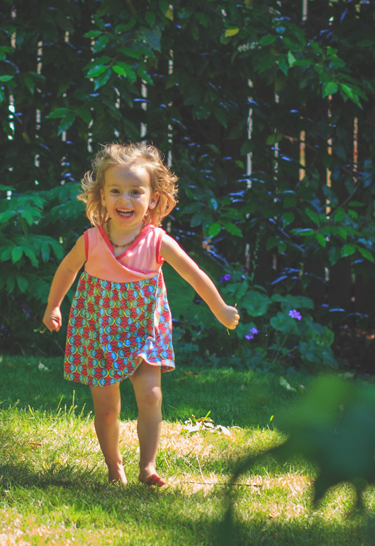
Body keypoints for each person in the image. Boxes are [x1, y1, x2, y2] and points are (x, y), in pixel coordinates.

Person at [42, 142, 240, 487]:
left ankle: (147, 466)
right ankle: (114, 466)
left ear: (153, 199)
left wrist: (219, 308)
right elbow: (67, 270)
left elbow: (194, 274)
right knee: (106, 409)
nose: (125, 200)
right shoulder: (91, 240)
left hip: (143, 330)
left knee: (150, 396)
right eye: (116, 191)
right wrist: (54, 305)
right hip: (97, 331)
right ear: (101, 196)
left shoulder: (157, 241)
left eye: (136, 192)